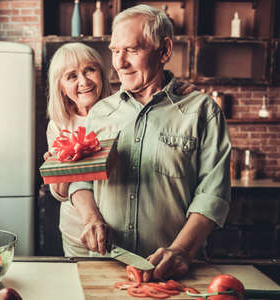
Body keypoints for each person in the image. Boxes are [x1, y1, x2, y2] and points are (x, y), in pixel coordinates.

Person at [67, 4, 232, 281]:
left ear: (164, 51)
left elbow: (213, 194)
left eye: (132, 50)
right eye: (115, 51)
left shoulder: (202, 111)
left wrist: (180, 250)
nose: (119, 63)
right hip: (108, 265)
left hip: (177, 270)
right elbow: (82, 178)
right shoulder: (100, 112)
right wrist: (91, 218)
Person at [44, 42, 197, 257]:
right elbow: (60, 193)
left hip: (124, 231)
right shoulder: (59, 125)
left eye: (90, 70)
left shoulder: (125, 108)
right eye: (72, 76)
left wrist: (180, 92)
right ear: (60, 86)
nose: (84, 81)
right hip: (76, 231)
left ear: (102, 73)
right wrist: (60, 174)